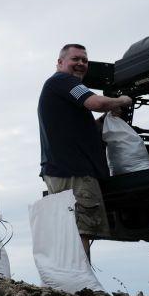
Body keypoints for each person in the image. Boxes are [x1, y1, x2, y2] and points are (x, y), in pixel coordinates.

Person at [38, 43, 131, 258]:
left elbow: (79, 128)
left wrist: (105, 121)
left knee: (70, 229)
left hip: (61, 169)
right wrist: (121, 100)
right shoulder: (64, 81)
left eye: (85, 60)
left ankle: (71, 280)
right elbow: (95, 102)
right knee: (81, 229)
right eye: (75, 59)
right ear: (60, 63)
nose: (81, 63)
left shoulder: (58, 89)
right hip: (74, 171)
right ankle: (80, 285)